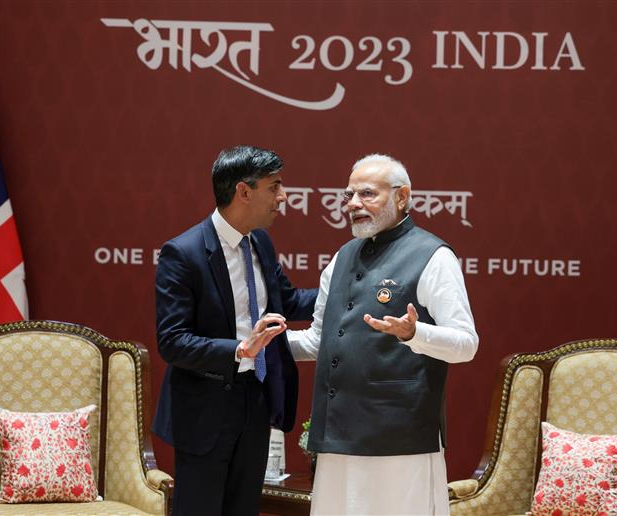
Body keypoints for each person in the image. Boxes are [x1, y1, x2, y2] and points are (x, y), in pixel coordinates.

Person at [288, 153, 479, 515]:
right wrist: (263, 346)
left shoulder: (434, 256)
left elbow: (466, 344)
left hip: (401, 439)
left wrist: (414, 333)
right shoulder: (341, 258)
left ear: (402, 197)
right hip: (337, 437)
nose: (353, 204)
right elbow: (317, 340)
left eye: (367, 194)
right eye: (348, 195)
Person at [152, 145, 317, 516]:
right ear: (244, 192)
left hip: (255, 401)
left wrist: (344, 292)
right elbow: (172, 341)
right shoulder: (184, 253)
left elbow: (287, 301)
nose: (283, 196)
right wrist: (240, 349)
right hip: (206, 409)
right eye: (274, 186)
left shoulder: (259, 241)